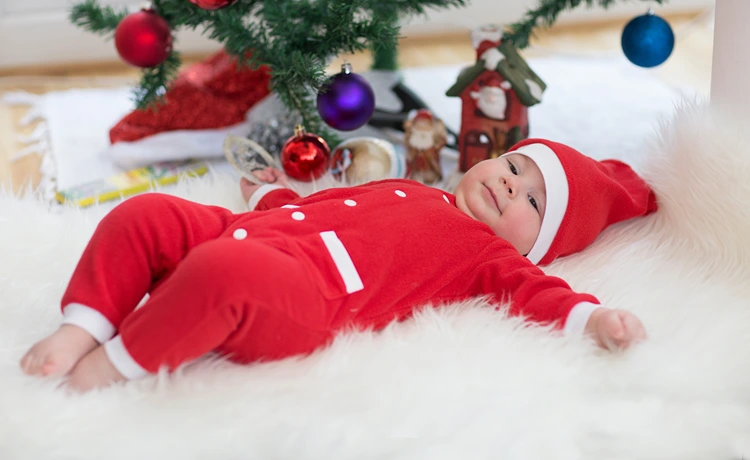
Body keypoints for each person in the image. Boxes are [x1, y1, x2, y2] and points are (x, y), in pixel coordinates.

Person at [20, 138, 657, 392]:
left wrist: (592, 319)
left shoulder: (489, 256)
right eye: (515, 167)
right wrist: (267, 198)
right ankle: (84, 324)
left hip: (305, 293)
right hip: (251, 231)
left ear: (533, 245)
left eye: (534, 201)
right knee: (146, 214)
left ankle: (116, 363)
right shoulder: (412, 184)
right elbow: (326, 207)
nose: (511, 186)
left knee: (219, 275)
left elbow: (539, 296)